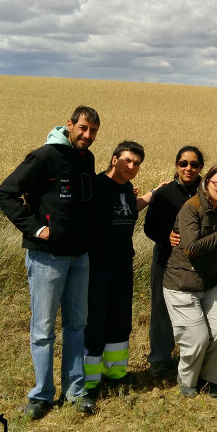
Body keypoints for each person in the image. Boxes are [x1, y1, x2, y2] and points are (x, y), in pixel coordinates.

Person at [0, 106, 100, 419]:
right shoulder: (45, 156)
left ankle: (75, 390)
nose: (87, 135)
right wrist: (37, 228)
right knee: (43, 329)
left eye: (93, 131)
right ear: (69, 125)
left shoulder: (87, 159)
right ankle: (41, 395)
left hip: (80, 256)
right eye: (83, 128)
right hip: (47, 258)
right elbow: (6, 193)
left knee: (77, 325)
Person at [83, 141, 165, 406]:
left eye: (137, 163)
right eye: (128, 161)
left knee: (120, 319)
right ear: (114, 158)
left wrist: (153, 194)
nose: (132, 167)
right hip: (96, 266)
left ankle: (116, 372)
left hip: (122, 265)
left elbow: (128, 208)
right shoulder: (96, 186)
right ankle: (90, 380)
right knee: (95, 321)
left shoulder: (127, 187)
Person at [163, 164, 217, 398]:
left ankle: (210, 378)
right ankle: (187, 380)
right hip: (182, 283)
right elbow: (191, 247)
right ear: (207, 183)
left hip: (209, 283)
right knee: (197, 338)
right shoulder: (191, 208)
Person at [143, 146, 205, 378]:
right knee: (161, 310)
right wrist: (165, 236)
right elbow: (149, 227)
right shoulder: (165, 193)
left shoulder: (207, 192)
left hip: (199, 262)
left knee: (200, 308)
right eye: (184, 163)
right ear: (176, 165)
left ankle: (196, 356)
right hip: (166, 260)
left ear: (201, 167)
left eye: (194, 164)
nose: (189, 168)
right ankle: (159, 358)